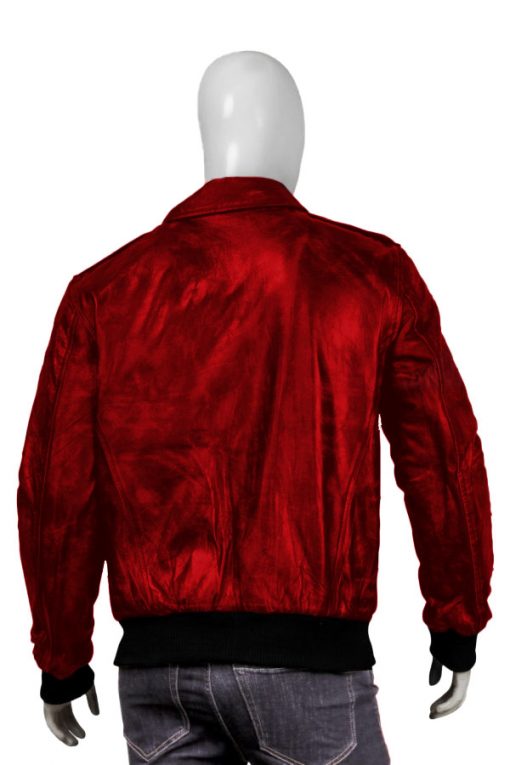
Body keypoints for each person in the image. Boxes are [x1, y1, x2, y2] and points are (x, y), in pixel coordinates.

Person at [17, 50, 493, 764]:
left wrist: (61, 656)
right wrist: (457, 621)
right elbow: (442, 457)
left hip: (158, 670)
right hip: (312, 664)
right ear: (292, 139)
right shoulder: (370, 274)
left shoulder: (105, 292)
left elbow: (57, 494)